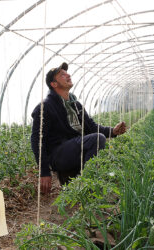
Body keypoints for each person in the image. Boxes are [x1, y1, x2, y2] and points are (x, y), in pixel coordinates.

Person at [31, 62, 126, 194]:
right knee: (97, 139)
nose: (68, 75)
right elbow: (37, 140)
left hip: (73, 150)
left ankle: (74, 178)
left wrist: (113, 131)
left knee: (96, 138)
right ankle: (87, 186)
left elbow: (91, 127)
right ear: (54, 84)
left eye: (67, 73)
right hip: (58, 154)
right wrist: (44, 171)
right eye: (62, 75)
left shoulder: (75, 105)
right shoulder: (45, 107)